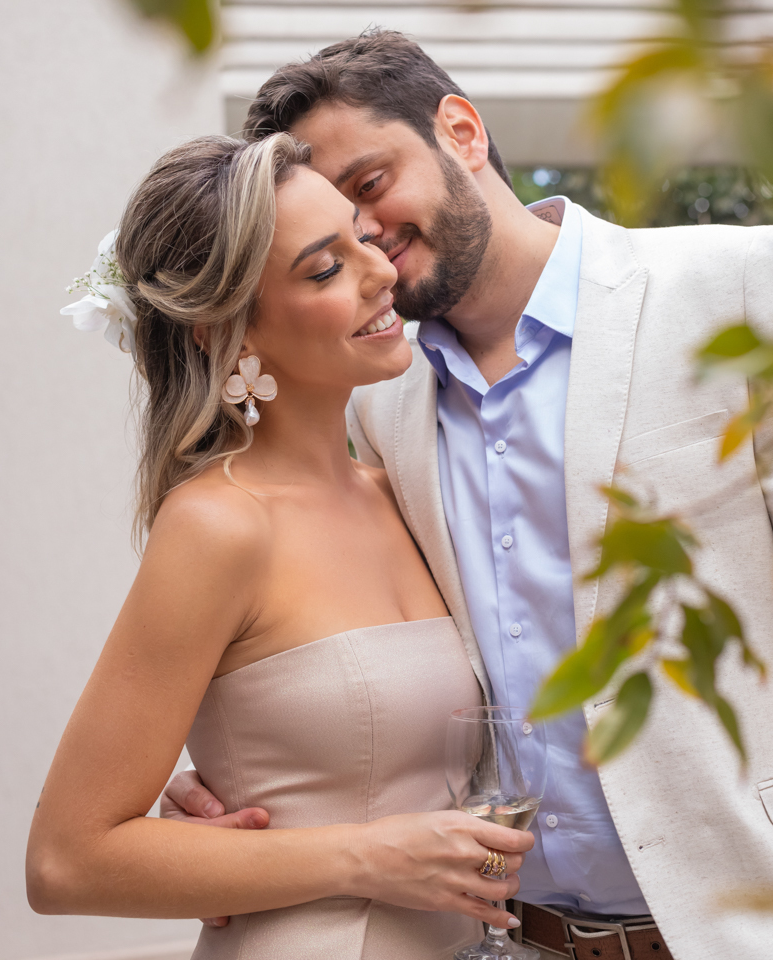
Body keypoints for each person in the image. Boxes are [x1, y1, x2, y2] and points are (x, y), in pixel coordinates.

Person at [166, 31, 773, 960]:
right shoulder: (378, 404)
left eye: (370, 185)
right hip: (509, 941)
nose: (365, 235)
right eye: (336, 223)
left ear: (461, 130)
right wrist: (234, 785)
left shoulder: (736, 290)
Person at [27, 131, 540, 959]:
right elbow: (64, 861)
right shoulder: (217, 526)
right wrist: (369, 854)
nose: (380, 273)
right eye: (325, 268)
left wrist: (219, 847)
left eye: (364, 240)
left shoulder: (399, 486)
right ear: (229, 331)